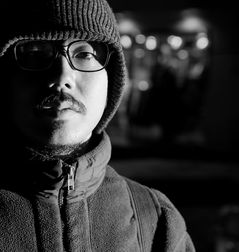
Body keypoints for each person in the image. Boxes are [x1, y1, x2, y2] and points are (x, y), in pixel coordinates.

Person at [0, 0, 195, 251]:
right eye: (35, 53)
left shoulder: (157, 222)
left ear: (111, 84)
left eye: (85, 54)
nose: (62, 77)